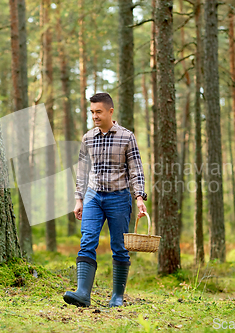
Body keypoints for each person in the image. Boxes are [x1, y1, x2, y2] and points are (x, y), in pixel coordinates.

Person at [63, 92, 147, 307]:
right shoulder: (88, 137)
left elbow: (136, 169)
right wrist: (78, 199)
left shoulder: (127, 136)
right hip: (93, 197)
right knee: (87, 240)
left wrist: (139, 197)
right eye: (92, 112)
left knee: (119, 246)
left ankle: (117, 297)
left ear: (110, 111)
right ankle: (82, 293)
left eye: (98, 112)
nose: (94, 116)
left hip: (119, 198)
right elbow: (82, 171)